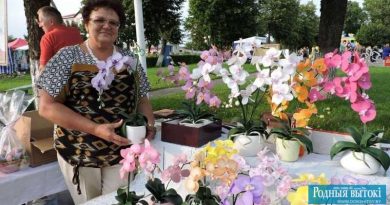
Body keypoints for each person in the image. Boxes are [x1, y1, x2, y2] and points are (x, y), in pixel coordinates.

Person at [36, 0, 156, 204]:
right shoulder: (67, 57)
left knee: (120, 201)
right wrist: (96, 129)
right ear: (86, 24)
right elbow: (46, 107)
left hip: (122, 153)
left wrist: (148, 125)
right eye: (99, 20)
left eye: (114, 22)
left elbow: (141, 98)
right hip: (79, 153)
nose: (107, 26)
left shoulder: (128, 59)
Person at [37, 6, 83, 72]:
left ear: (51, 21)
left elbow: (43, 69)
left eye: (41, 21)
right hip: (80, 76)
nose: (40, 25)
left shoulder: (48, 37)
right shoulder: (75, 32)